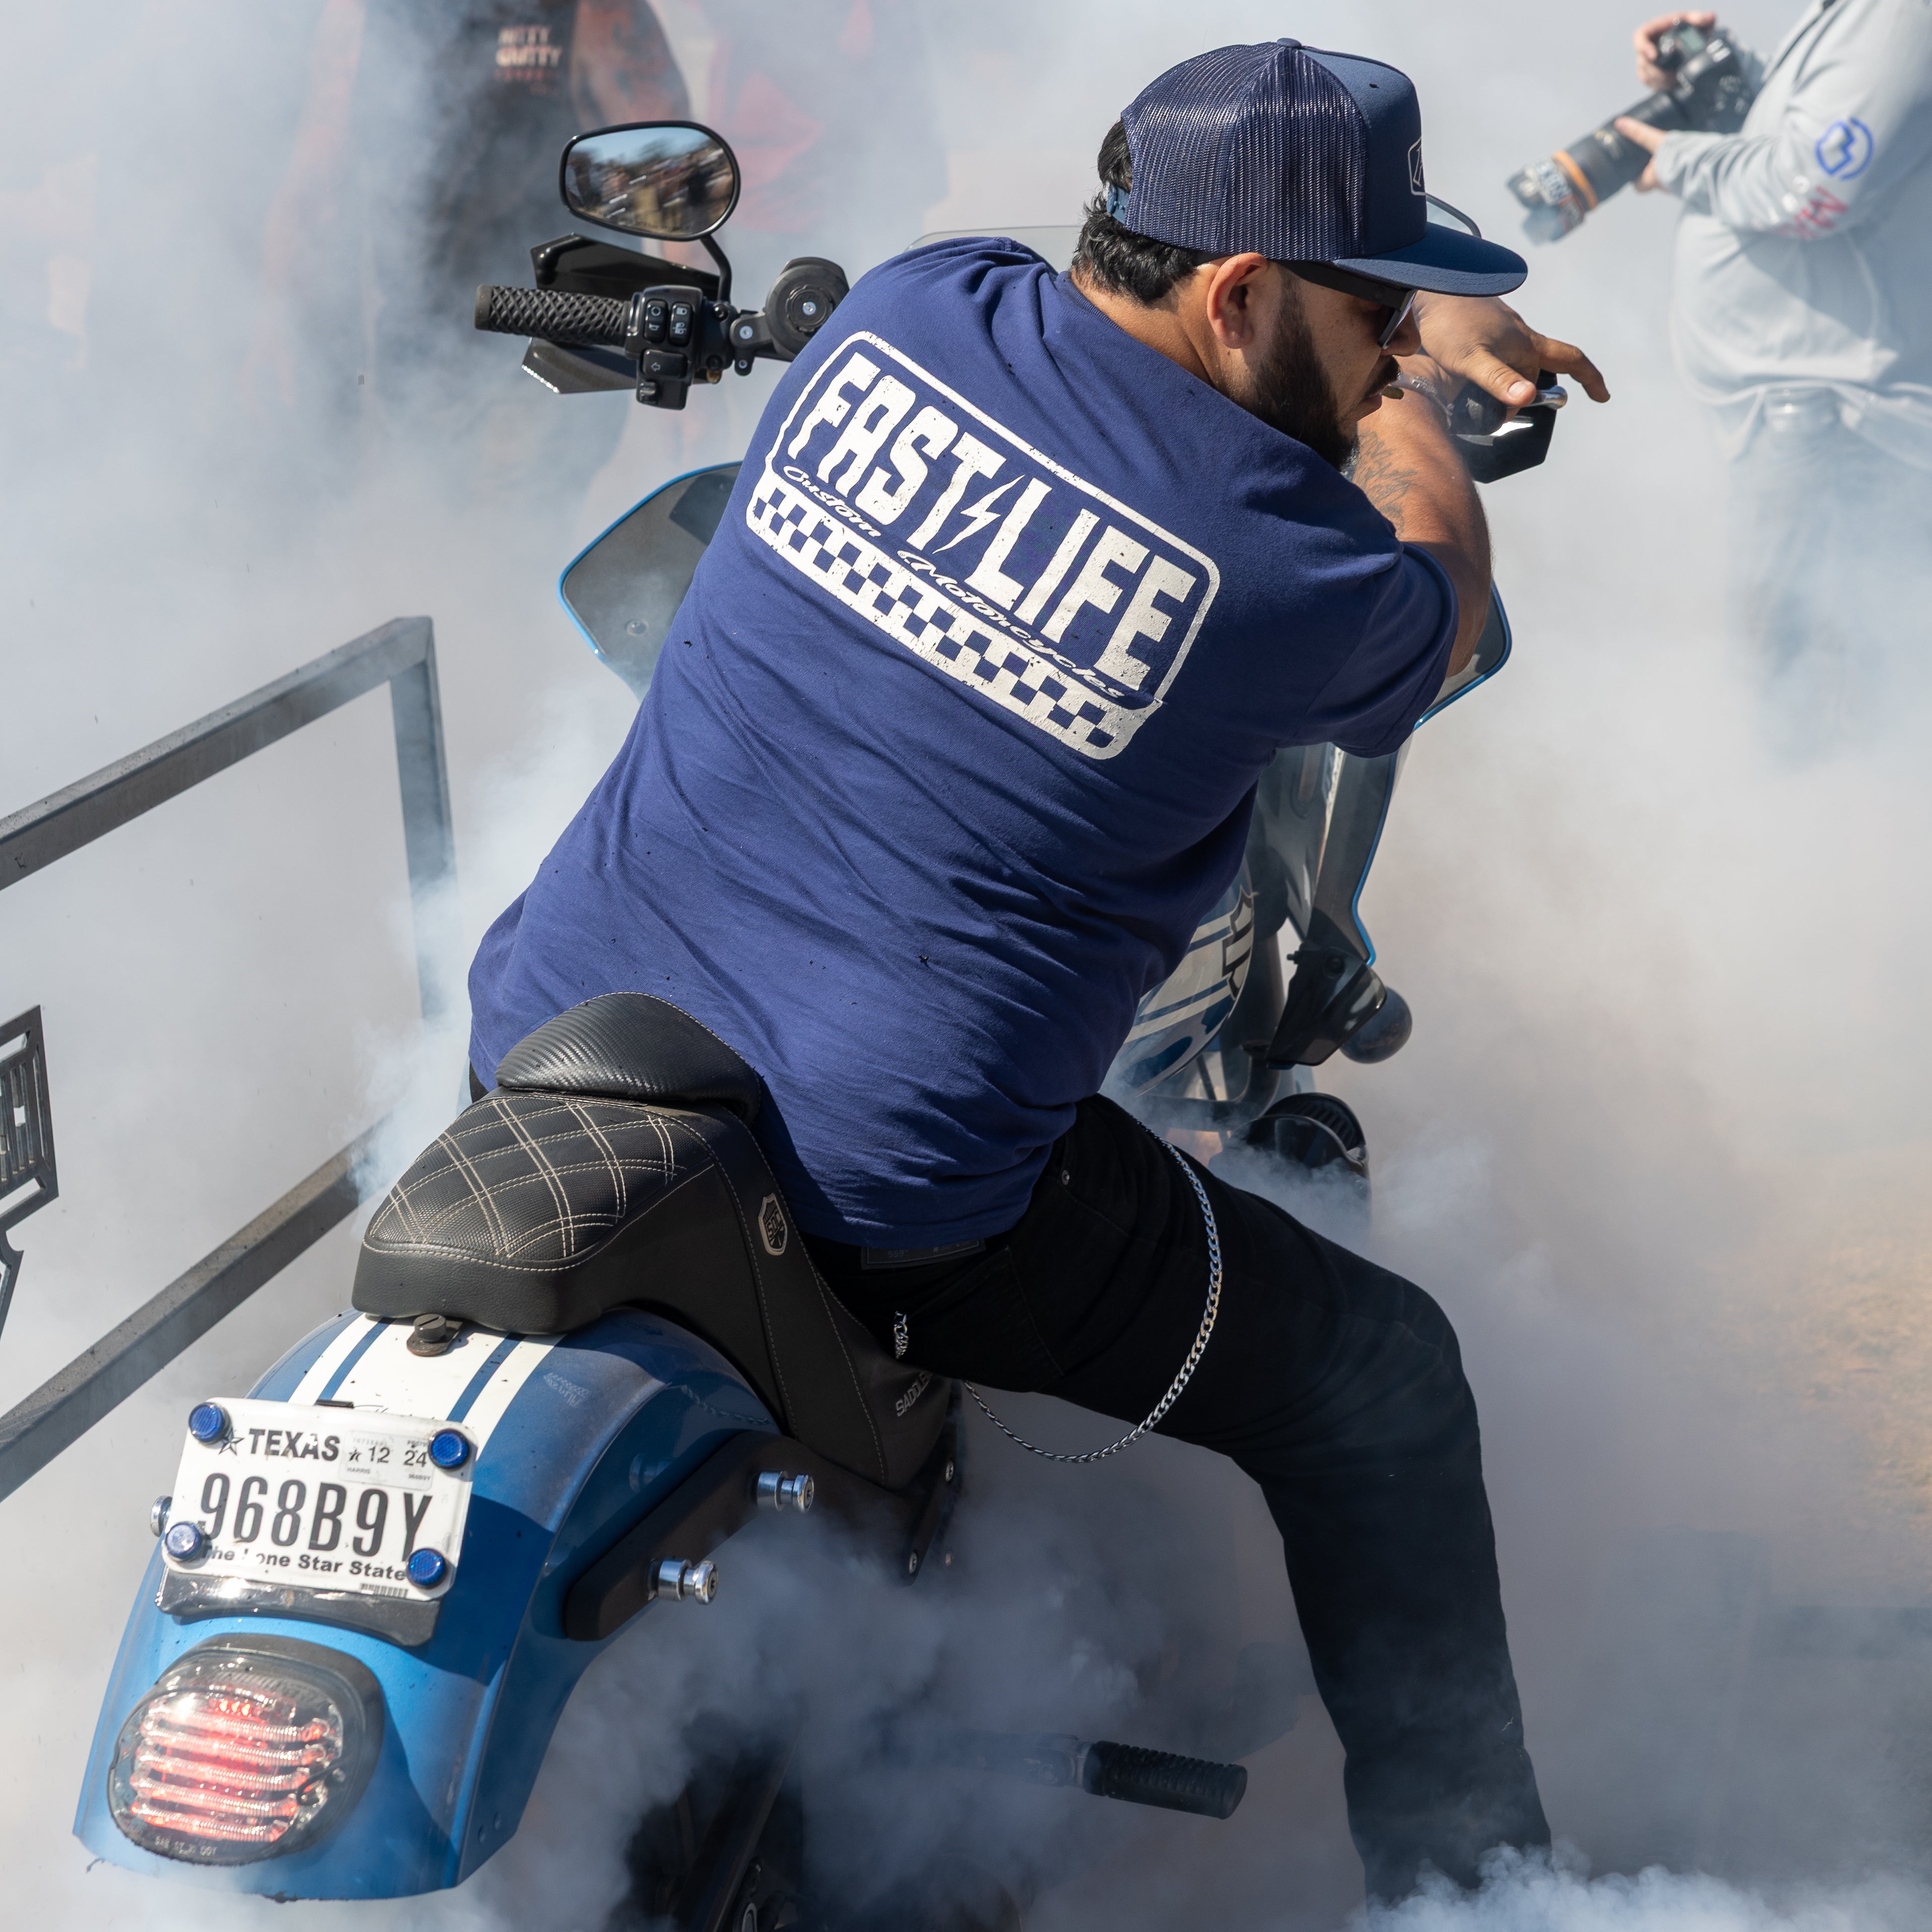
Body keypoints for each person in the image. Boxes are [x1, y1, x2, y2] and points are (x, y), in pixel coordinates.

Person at [465, 40, 1609, 1900]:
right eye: (1369, 310)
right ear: (1239, 297)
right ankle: (1483, 1895)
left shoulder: (905, 313)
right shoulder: (1274, 567)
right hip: (902, 1208)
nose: (1388, 346)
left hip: (547, 1054)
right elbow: (1440, 601)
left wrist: (1385, 326)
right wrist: (1417, 405)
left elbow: (1049, 295)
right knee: (1385, 1381)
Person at [1614, 5, 1932, 739]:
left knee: (1809, 713)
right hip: (1821, 424)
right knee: (1791, 689)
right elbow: (1830, 134)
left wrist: (1679, 157)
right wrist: (1724, 79)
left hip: (1842, 428)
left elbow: (1815, 188)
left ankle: (1831, 817)